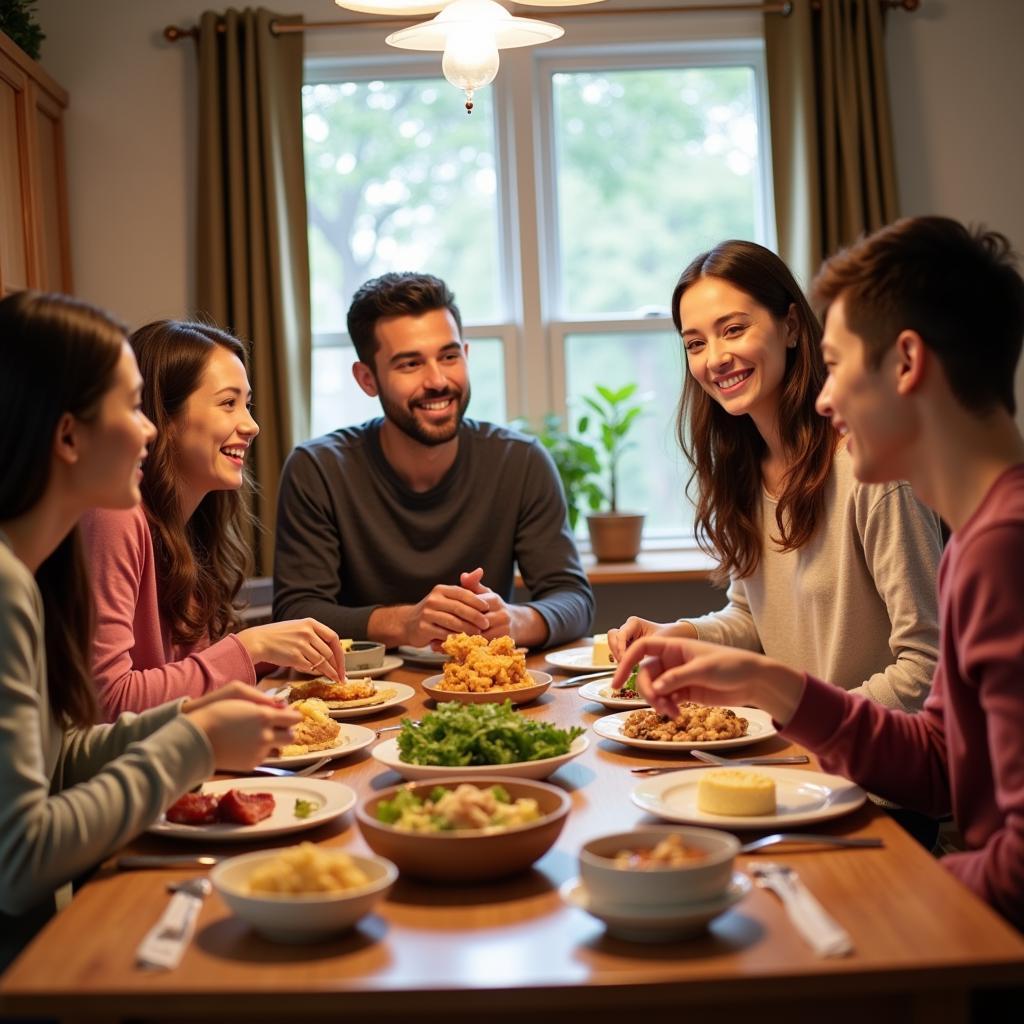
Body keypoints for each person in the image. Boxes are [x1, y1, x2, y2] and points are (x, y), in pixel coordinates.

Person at [610, 216, 1024, 930]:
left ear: (905, 363)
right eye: (694, 342)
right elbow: (938, 756)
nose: (826, 399)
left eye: (837, 365)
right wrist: (761, 681)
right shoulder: (974, 539)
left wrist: (886, 889)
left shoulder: (989, 544)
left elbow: (1005, 857)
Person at [0, 292, 300, 969]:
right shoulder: (11, 583)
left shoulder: (28, 568)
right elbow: (20, 864)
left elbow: (59, 761)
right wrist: (192, 737)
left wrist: (202, 714)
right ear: (69, 435)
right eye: (132, 408)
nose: (147, 431)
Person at [608, 240, 942, 712]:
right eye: (696, 343)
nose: (715, 358)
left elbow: (927, 667)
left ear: (789, 326)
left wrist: (800, 728)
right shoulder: (744, 470)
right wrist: (678, 635)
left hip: (871, 773)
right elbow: (754, 620)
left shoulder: (875, 470)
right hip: (800, 760)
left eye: (734, 329)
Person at [273, 272, 594, 649]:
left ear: (467, 355)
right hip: (362, 694)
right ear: (367, 379)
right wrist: (405, 622)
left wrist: (513, 620)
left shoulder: (520, 461)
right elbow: (296, 612)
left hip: (485, 693)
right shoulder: (319, 469)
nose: (438, 380)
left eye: (449, 356)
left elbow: (574, 600)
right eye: (410, 364)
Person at [80, 321, 347, 720]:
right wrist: (250, 648)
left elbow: (186, 680)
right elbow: (110, 701)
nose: (252, 425)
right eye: (228, 403)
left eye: (248, 405)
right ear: (163, 419)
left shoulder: (192, 518)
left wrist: (271, 656)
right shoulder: (114, 516)